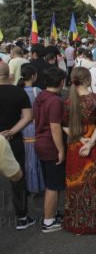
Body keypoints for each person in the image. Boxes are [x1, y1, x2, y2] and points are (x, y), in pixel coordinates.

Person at [62, 67, 96, 234]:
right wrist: (90, 143)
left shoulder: (68, 102)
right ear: (87, 80)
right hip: (93, 143)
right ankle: (95, 220)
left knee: (76, 183)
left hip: (75, 146)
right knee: (95, 182)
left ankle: (76, 221)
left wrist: (80, 139)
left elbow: (65, 126)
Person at [0, 62, 35, 230]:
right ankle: (22, 216)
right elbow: (28, 117)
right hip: (13, 139)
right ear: (9, 75)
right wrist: (11, 132)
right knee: (18, 178)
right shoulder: (19, 92)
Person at [33, 66, 66, 233]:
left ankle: (52, 214)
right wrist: (61, 149)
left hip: (39, 142)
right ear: (61, 82)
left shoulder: (40, 96)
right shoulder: (55, 101)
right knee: (53, 185)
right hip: (50, 144)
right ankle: (48, 220)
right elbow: (55, 127)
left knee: (50, 183)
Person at [18, 65, 45, 194]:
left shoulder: (19, 91)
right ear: (33, 76)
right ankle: (38, 185)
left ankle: (28, 185)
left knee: (27, 157)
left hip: (22, 126)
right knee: (36, 157)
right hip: (35, 126)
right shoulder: (37, 91)